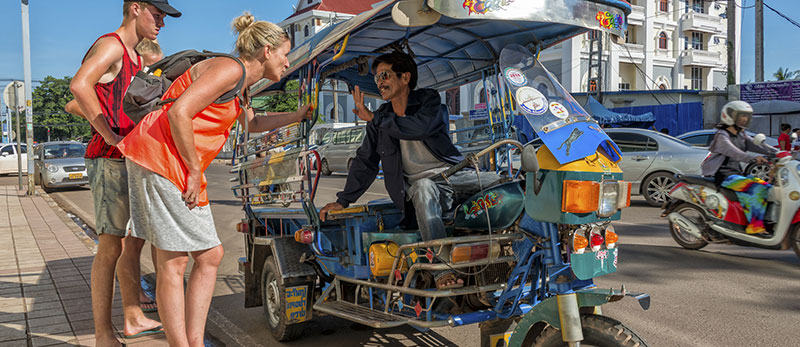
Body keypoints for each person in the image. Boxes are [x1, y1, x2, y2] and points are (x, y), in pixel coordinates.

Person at [115, 12, 312, 346]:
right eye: (284, 53)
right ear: (266, 50)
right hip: (164, 158)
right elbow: (179, 112)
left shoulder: (241, 84)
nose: (286, 60)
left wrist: (297, 115)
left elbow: (254, 124)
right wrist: (194, 170)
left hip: (156, 156)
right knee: (186, 259)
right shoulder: (230, 69)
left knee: (189, 258)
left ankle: (191, 341)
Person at [318, 51, 500, 289]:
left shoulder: (428, 101)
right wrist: (343, 201)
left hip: (455, 176)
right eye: (376, 79)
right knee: (423, 187)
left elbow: (420, 127)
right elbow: (366, 162)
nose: (379, 83)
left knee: (505, 182)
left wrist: (374, 118)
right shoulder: (380, 118)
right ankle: (441, 271)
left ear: (405, 78)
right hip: (423, 191)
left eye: (384, 75)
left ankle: (532, 251)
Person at [67, 1, 180, 345]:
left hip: (124, 159)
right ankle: (103, 334)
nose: (161, 23)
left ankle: (131, 316)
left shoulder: (131, 55)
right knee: (110, 247)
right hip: (108, 158)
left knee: (128, 242)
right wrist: (109, 134)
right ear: (135, 8)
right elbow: (78, 87)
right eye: (157, 15)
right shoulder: (113, 45)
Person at [66, 37, 165, 316]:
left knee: (142, 237)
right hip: (111, 155)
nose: (152, 75)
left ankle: (140, 303)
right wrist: (108, 129)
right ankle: (132, 305)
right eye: (151, 68)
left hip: (134, 158)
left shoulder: (137, 73)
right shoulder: (115, 53)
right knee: (120, 242)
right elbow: (74, 103)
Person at [700, 100, 777, 234]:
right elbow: (735, 153)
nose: (745, 119)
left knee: (769, 188)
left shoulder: (741, 135)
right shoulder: (721, 136)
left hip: (737, 174)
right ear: (730, 116)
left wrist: (780, 152)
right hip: (724, 176)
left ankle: (768, 222)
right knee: (756, 189)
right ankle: (754, 226)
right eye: (741, 115)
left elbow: (758, 145)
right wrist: (753, 158)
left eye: (747, 116)